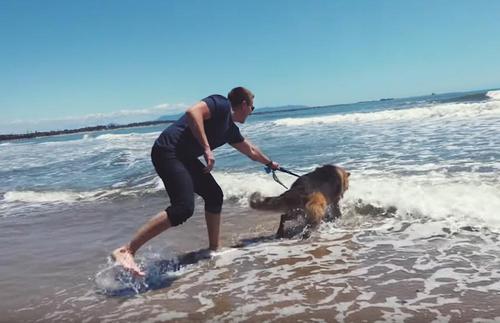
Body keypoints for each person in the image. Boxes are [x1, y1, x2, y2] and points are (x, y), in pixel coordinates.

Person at [112, 87, 279, 276]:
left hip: (185, 157)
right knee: (183, 208)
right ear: (244, 104)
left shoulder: (230, 130)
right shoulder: (220, 104)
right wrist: (207, 148)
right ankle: (127, 250)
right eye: (252, 108)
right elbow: (193, 112)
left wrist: (271, 163)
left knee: (215, 195)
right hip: (167, 151)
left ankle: (213, 249)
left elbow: (251, 151)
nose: (251, 112)